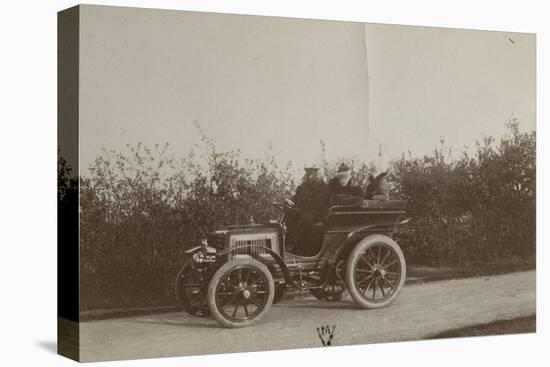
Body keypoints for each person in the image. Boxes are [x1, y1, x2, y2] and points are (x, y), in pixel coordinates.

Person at [286, 165, 330, 256]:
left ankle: (295, 245)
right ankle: (287, 245)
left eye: (313, 173)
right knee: (288, 215)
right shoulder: (302, 188)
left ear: (318, 173)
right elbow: (295, 200)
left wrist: (321, 217)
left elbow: (328, 206)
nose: (310, 175)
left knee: (305, 220)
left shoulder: (325, 188)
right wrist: (289, 202)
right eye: (308, 172)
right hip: (303, 214)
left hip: (318, 217)